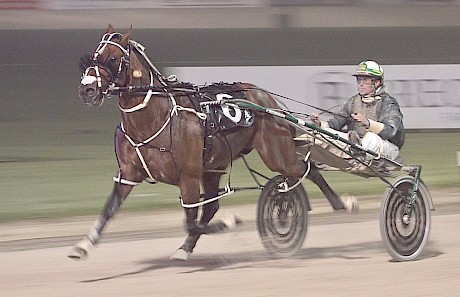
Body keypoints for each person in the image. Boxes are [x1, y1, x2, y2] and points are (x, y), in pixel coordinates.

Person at [311, 60, 405, 163]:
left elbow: (390, 131)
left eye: (365, 80)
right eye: (359, 80)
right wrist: (320, 124)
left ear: (377, 82)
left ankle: (358, 152)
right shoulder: (352, 102)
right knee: (328, 133)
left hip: (387, 149)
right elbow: (335, 124)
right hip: (356, 145)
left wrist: (368, 123)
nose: (361, 84)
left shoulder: (389, 103)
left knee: (371, 137)